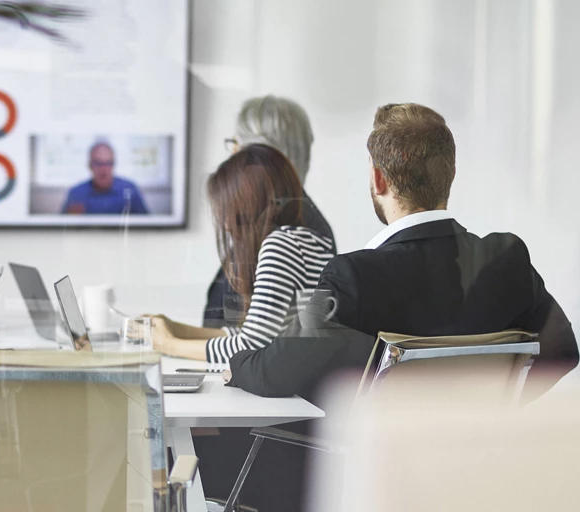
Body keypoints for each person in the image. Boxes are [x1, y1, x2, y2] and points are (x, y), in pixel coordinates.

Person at [218, 104, 578, 511]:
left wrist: (239, 363)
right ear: (450, 175)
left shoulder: (351, 275)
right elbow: (564, 351)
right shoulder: (506, 258)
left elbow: (276, 370)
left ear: (377, 179)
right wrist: (482, 417)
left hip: (378, 488)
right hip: (477, 485)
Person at [149, 144, 335, 363]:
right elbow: (258, 334)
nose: (227, 225)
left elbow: (252, 346)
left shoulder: (281, 244)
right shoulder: (308, 240)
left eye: (231, 212)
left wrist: (168, 345)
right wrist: (176, 329)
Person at [204, 95, 336, 328]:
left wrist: (171, 342)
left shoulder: (287, 230)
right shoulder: (288, 216)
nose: (232, 155)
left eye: (237, 146)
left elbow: (250, 340)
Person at [60, 140, 149, 214]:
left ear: (114, 165)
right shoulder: (76, 193)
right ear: (90, 165)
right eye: (98, 163)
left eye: (108, 163)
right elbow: (59, 229)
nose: (103, 170)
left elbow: (148, 226)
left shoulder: (129, 189)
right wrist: (70, 220)